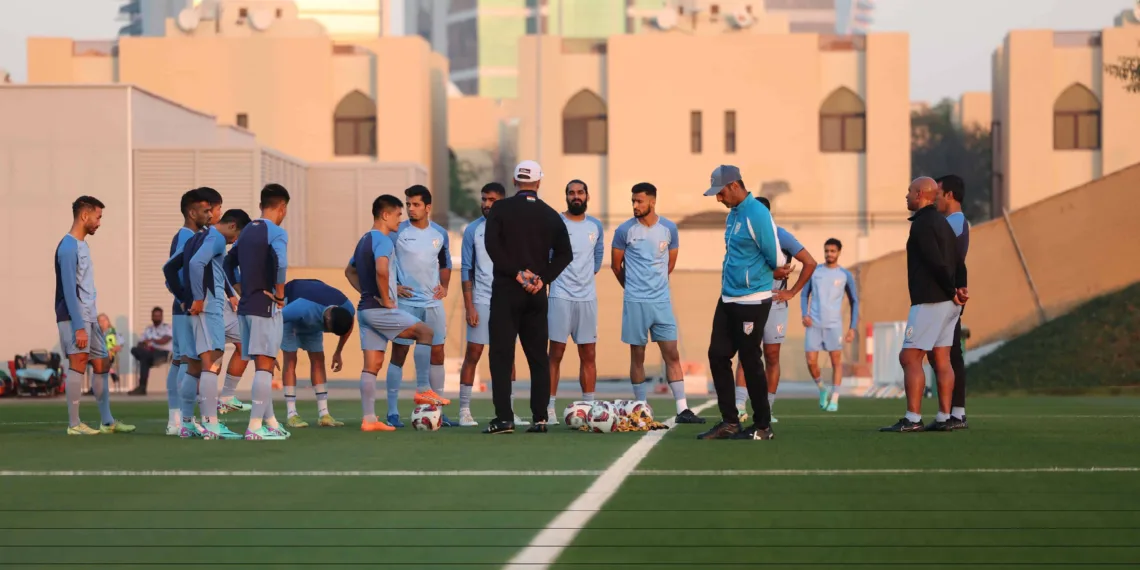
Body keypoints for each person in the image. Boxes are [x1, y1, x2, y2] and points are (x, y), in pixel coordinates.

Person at [481, 160, 573, 434]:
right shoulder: (550, 214)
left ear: (514, 181)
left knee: (501, 355)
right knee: (538, 357)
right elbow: (566, 254)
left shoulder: (501, 208)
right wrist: (542, 277)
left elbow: (492, 246)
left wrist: (516, 273)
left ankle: (504, 418)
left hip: (508, 289)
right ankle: (540, 417)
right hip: (536, 293)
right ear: (539, 182)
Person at [698, 166, 779, 441]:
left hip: (752, 299)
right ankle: (730, 422)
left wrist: (762, 275)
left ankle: (763, 426)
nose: (718, 199)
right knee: (718, 355)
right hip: (728, 296)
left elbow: (775, 256)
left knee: (749, 359)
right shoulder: (733, 215)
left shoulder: (757, 212)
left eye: (720, 193)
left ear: (734, 186)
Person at [612, 183, 704, 424]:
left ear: (652, 202)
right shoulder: (624, 231)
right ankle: (641, 408)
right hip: (635, 302)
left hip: (661, 302)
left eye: (639, 201)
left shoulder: (669, 229)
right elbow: (615, 266)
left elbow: (669, 264)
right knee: (637, 356)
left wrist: (655, 286)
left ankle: (683, 409)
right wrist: (633, 288)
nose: (635, 205)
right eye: (633, 201)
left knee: (671, 354)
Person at [880, 177, 967, 433]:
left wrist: (951, 291)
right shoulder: (943, 222)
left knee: (909, 357)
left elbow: (934, 261)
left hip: (931, 300)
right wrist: (961, 288)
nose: (906, 196)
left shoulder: (923, 224)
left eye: (909, 192)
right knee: (941, 358)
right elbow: (958, 261)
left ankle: (913, 418)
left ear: (920, 194)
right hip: (949, 303)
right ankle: (943, 417)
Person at [345, 194, 435, 432]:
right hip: (379, 310)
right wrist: (386, 299)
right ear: (385, 215)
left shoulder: (364, 239)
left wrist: (367, 292)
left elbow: (349, 271)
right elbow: (382, 271)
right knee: (426, 332)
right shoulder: (383, 240)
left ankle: (369, 419)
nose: (400, 219)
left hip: (365, 310)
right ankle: (424, 389)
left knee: (372, 365)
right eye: (397, 214)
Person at [164, 204, 249, 440]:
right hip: (209, 308)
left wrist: (185, 298)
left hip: (195, 309)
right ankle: (211, 424)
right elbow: (195, 264)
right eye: (237, 236)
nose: (234, 242)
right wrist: (199, 298)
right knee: (212, 360)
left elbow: (169, 267)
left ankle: (187, 424)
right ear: (232, 226)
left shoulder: (196, 238)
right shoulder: (216, 238)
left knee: (193, 365)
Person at [54, 195, 134, 435]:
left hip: (90, 316)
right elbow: (68, 289)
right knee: (78, 363)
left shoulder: (83, 245)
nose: (99, 223)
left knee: (101, 362)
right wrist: (79, 326)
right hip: (73, 318)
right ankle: (74, 424)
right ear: (84, 215)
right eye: (98, 217)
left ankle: (107, 421)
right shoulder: (67, 247)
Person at [732, 196, 816, 423]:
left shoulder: (781, 235)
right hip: (750, 301)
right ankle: (739, 405)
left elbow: (810, 262)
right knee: (747, 353)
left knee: (771, 355)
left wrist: (792, 291)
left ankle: (767, 408)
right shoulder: (741, 235)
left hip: (776, 304)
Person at [224, 184, 292, 441]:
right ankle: (254, 427)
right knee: (265, 367)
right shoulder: (276, 232)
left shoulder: (247, 231)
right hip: (266, 306)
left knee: (263, 365)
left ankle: (271, 422)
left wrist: (241, 290)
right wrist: (280, 295)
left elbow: (228, 264)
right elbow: (281, 263)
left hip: (246, 308)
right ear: (282, 207)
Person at [384, 185, 454, 428]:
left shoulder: (440, 233)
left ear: (427, 207)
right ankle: (392, 411)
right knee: (400, 354)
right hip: (406, 303)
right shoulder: (397, 231)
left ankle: (437, 411)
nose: (410, 209)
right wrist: (395, 285)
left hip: (432, 303)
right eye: (408, 205)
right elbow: (383, 261)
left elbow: (445, 262)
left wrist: (444, 286)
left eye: (415, 204)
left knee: (438, 352)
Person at [458, 182, 524, 427]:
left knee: (509, 356)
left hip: (507, 301)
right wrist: (469, 306)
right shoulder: (472, 230)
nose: (486, 204)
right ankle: (464, 409)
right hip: (481, 300)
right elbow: (466, 269)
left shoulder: (514, 229)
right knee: (473, 353)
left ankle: (509, 409)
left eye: (492, 200)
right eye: (484, 199)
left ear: (503, 202)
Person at [547, 179, 605, 423]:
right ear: (566, 197)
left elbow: (598, 256)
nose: (576, 196)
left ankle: (589, 407)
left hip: (587, 298)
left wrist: (584, 278)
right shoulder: (556, 223)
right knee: (555, 353)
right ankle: (548, 408)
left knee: (588, 353)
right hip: (560, 295)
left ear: (587, 196)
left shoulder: (596, 226)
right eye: (571, 193)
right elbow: (548, 256)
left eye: (580, 192)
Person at [280, 278, 355, 428]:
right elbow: (274, 321)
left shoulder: (347, 308)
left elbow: (349, 324)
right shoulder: (301, 307)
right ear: (326, 318)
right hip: (290, 311)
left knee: (318, 360)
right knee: (290, 359)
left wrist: (338, 352)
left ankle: (324, 414)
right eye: (327, 328)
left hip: (314, 310)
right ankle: (292, 414)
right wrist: (269, 349)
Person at [165, 188, 210, 435]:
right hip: (187, 308)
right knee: (187, 361)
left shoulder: (192, 235)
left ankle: (176, 420)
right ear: (192, 212)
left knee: (181, 360)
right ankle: (182, 419)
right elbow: (174, 272)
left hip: (184, 306)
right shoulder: (185, 237)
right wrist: (185, 299)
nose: (209, 214)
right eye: (205, 210)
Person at [800, 238, 860, 412]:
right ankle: (822, 389)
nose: (829, 254)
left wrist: (852, 327)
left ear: (839, 252)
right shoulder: (815, 272)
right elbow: (804, 295)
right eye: (827, 251)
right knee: (811, 361)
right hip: (814, 324)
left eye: (833, 251)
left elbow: (854, 301)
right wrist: (805, 314)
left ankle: (834, 398)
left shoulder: (845, 275)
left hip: (834, 325)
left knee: (836, 361)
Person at [935, 174, 970, 429]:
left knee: (948, 354)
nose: (935, 197)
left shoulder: (954, 223)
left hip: (947, 295)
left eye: (938, 192)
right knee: (949, 352)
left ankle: (954, 413)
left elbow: (951, 260)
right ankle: (954, 412)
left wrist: (952, 289)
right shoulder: (951, 222)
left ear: (949, 194)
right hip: (949, 292)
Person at [128, 307, 172, 396]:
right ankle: (142, 388)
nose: (156, 317)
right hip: (149, 353)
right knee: (134, 349)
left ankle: (142, 387)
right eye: (155, 316)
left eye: (158, 316)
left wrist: (151, 341)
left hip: (163, 353)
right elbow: (140, 343)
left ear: (162, 317)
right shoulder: (148, 329)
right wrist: (144, 344)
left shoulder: (167, 328)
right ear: (152, 317)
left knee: (144, 357)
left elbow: (165, 340)